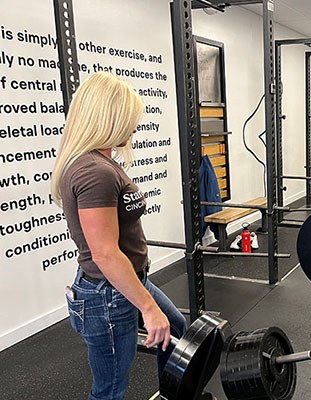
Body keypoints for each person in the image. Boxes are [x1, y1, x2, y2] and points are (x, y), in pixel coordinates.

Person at [51, 72, 187, 399]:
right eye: (130, 119)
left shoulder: (101, 161)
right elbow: (105, 254)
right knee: (110, 390)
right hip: (107, 293)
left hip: (127, 281)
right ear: (108, 118)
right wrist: (149, 309)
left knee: (178, 332)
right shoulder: (93, 171)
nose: (134, 127)